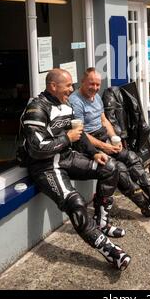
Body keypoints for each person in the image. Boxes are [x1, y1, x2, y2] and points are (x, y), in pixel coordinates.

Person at [21, 68, 130, 271]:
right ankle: (110, 251)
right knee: (76, 202)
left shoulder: (66, 104)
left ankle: (102, 223)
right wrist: (66, 138)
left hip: (66, 157)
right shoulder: (36, 108)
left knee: (110, 167)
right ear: (53, 86)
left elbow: (78, 135)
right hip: (44, 167)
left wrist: (94, 153)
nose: (72, 89)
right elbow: (37, 148)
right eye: (68, 85)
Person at [69, 68, 150, 218]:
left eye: (97, 84)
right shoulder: (76, 101)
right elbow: (82, 134)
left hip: (102, 137)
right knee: (119, 169)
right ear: (82, 82)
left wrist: (114, 138)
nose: (94, 88)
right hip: (86, 144)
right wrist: (104, 146)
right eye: (91, 84)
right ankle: (146, 205)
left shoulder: (96, 97)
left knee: (131, 157)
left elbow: (104, 120)